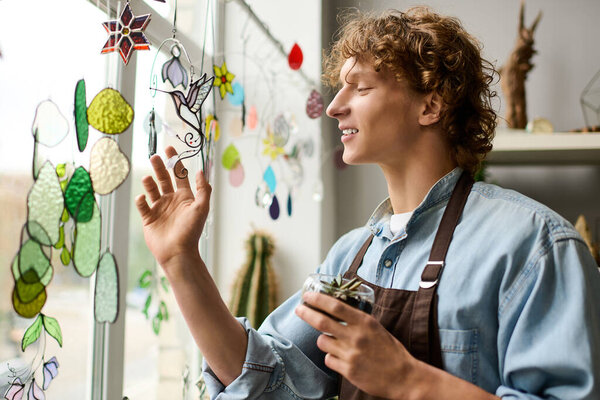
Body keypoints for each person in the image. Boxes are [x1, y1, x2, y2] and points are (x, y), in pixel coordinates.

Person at [135, 7, 600, 400]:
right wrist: (181, 262)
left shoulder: (534, 245)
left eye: (360, 87)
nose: (335, 106)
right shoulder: (349, 256)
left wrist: (407, 379)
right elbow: (269, 382)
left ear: (429, 106)